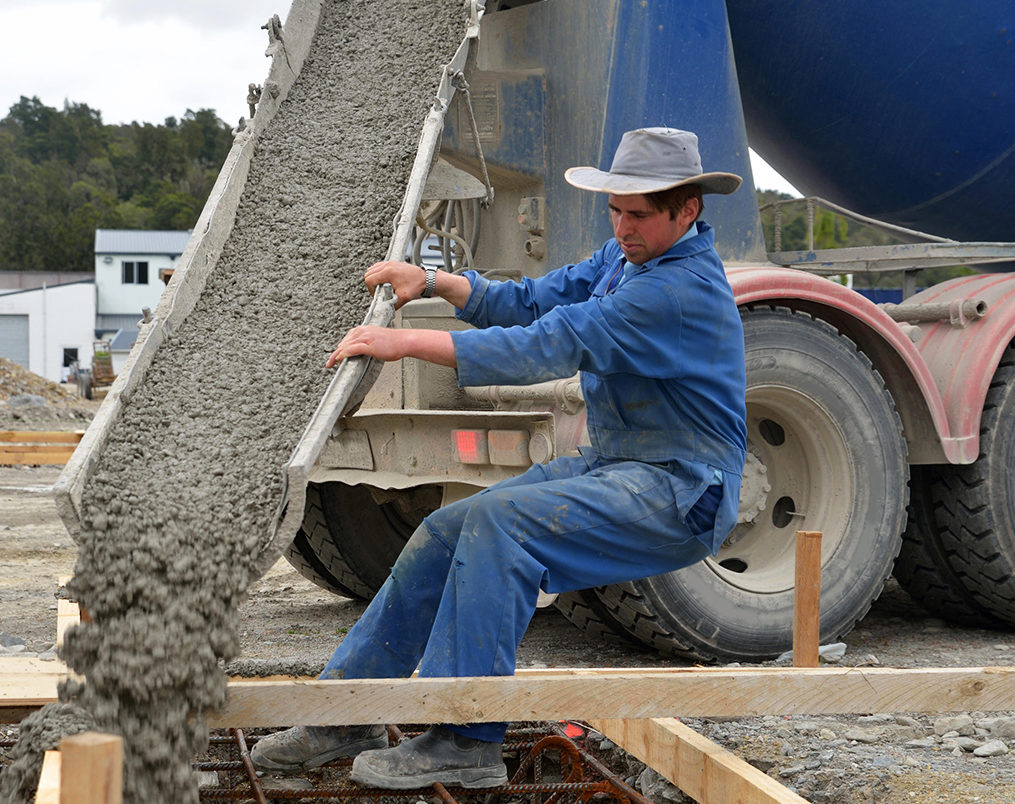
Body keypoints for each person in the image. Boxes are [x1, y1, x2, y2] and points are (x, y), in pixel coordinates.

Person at [251, 127, 749, 790]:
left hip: (681, 490)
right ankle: (349, 710)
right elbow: (535, 299)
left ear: (687, 210)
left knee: (500, 527)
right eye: (615, 211)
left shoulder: (675, 292)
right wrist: (429, 280)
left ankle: (466, 739)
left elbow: (546, 344)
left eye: (639, 214)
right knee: (445, 530)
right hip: (621, 465)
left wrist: (406, 345)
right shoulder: (626, 259)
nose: (623, 226)